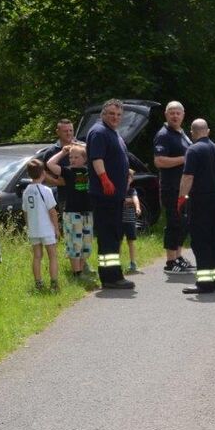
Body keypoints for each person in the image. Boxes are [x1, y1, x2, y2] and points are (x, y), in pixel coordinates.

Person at [85, 98, 135, 290]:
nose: (115, 117)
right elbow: (96, 158)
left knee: (113, 234)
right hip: (105, 194)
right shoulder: (98, 132)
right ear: (103, 114)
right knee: (109, 235)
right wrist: (104, 179)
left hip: (115, 194)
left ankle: (111, 275)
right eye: (111, 114)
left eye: (118, 115)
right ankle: (111, 277)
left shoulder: (113, 133)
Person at [177, 119, 215, 295]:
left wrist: (182, 198)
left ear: (192, 132)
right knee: (214, 240)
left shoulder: (193, 150)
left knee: (200, 241)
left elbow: (188, 177)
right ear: (208, 131)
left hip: (200, 201)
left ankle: (204, 283)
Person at [153, 101, 195, 274]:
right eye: (172, 113)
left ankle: (178, 257)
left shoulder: (182, 134)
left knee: (184, 223)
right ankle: (170, 262)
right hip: (171, 188)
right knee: (174, 222)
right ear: (166, 114)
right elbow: (159, 160)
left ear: (183, 115)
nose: (175, 116)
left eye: (178, 113)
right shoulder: (163, 135)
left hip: (185, 188)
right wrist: (185, 159)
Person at [46, 144, 93, 278]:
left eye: (76, 157)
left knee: (87, 245)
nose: (72, 159)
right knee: (75, 244)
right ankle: (76, 273)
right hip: (72, 213)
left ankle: (82, 269)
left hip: (87, 212)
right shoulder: (67, 171)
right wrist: (63, 152)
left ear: (84, 159)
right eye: (70, 157)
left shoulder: (90, 171)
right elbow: (50, 164)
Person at [22, 159, 60, 291]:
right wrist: (56, 228)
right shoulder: (45, 190)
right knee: (52, 256)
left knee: (37, 256)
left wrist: (29, 226)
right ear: (43, 173)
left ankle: (38, 283)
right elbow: (52, 211)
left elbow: (25, 211)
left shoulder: (26, 191)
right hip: (46, 228)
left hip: (34, 229)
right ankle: (54, 284)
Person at [41, 119, 78, 206]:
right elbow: (43, 173)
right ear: (58, 132)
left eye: (71, 130)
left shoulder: (82, 148)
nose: (69, 133)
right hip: (65, 199)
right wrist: (56, 182)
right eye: (65, 131)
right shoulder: (51, 152)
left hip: (85, 197)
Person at [122, 169, 142, 274]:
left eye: (128, 178)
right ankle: (117, 265)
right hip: (119, 221)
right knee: (118, 243)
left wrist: (137, 207)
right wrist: (125, 201)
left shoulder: (132, 191)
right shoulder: (118, 190)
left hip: (129, 221)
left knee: (131, 242)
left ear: (131, 179)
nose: (126, 180)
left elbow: (135, 200)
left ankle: (133, 263)